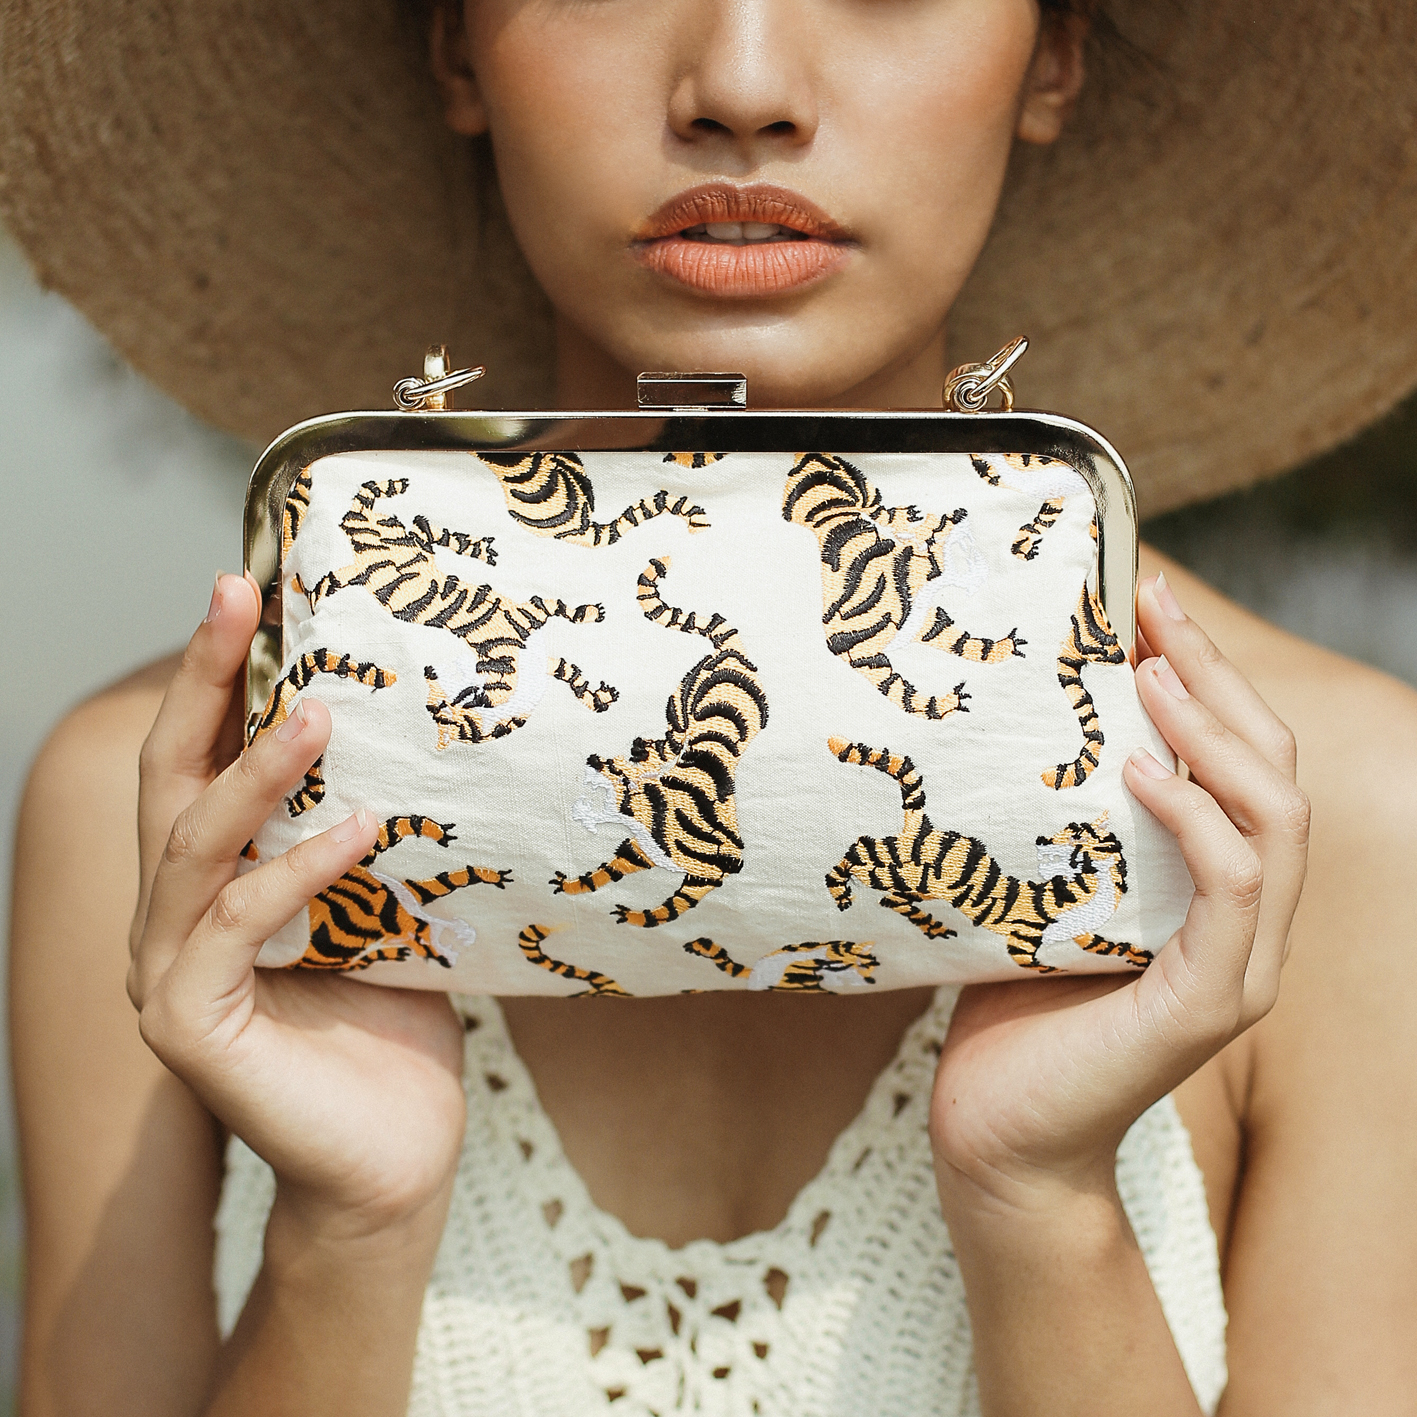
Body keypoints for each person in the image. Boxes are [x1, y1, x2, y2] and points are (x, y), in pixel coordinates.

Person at [4, 1, 1416, 1413]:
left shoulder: (1337, 822)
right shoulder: (167, 816)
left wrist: (1040, 1202)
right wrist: (344, 1232)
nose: (741, 85)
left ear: (1050, 52)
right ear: (454, 49)